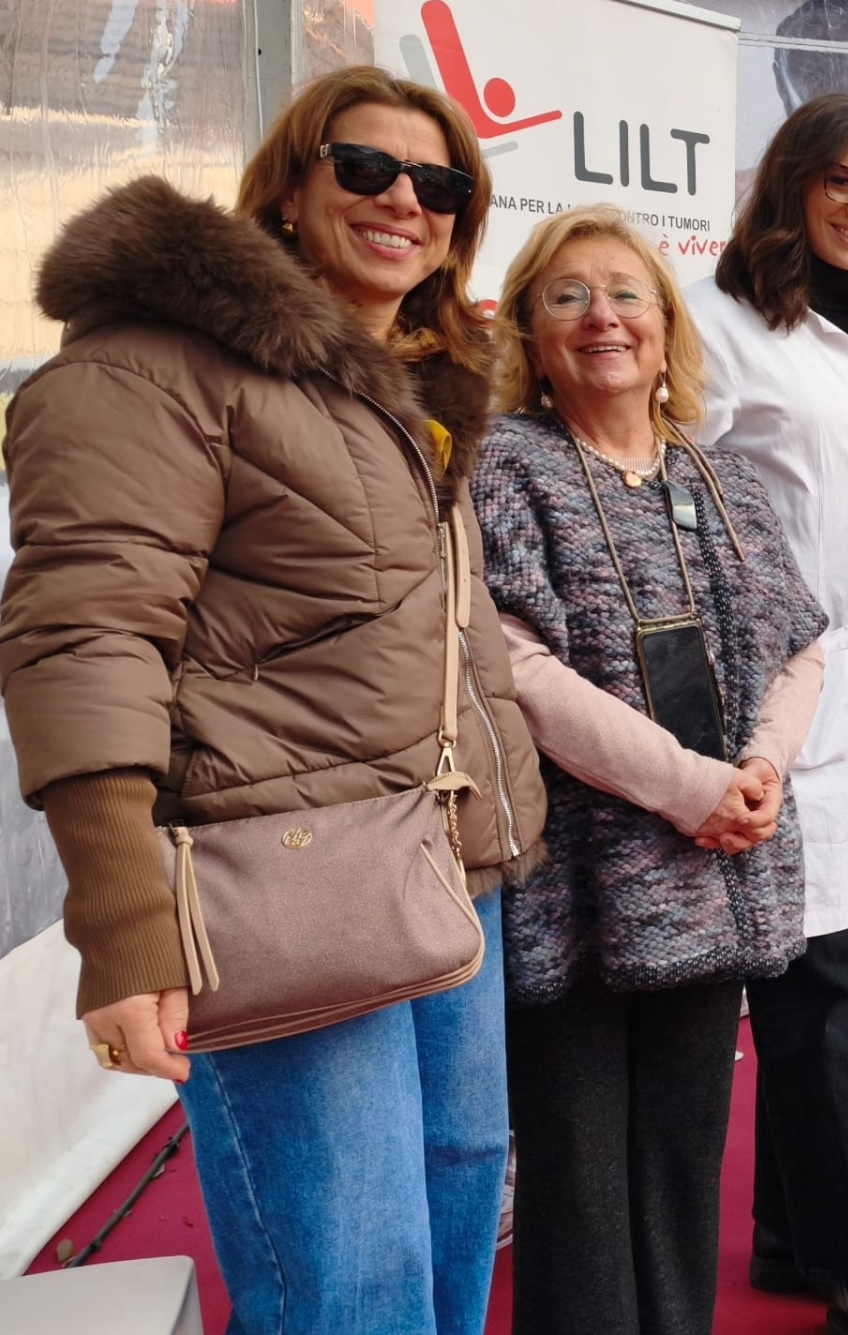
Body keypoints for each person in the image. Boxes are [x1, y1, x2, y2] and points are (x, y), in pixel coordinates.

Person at [0, 66, 547, 1332]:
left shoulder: (412, 390)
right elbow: (86, 639)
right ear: (290, 189)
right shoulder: (153, 365)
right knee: (351, 1283)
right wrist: (123, 921)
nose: (405, 199)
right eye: (367, 167)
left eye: (441, 184)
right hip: (280, 884)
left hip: (442, 873)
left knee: (457, 1205)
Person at [472, 206, 829, 1333]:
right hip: (579, 883)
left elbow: (800, 645)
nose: (603, 318)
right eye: (567, 296)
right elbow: (516, 667)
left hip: (717, 870)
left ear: (668, 326)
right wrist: (689, 787)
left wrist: (760, 767)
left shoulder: (720, 476)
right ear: (530, 333)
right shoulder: (506, 464)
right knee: (579, 1186)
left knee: (682, 1168)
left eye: (627, 293)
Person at [685, 95, 848, 1335]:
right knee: (816, 995)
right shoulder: (715, 323)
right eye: (842, 180)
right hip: (777, 714)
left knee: (845, 980)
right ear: (791, 182)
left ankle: (795, 1241)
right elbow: (666, 497)